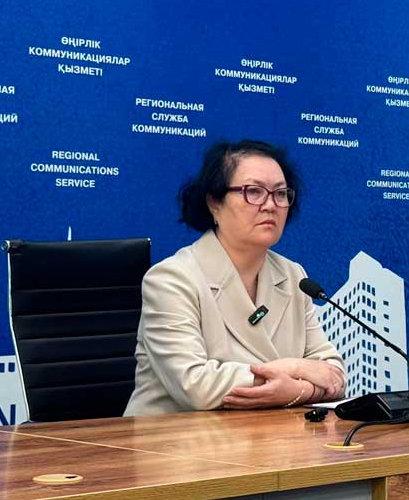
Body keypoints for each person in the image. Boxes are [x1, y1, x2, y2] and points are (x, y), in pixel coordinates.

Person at [125, 140, 345, 416]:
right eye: (254, 191)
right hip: (172, 436)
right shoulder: (171, 279)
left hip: (264, 434)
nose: (270, 205)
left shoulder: (293, 276)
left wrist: (297, 392)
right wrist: (294, 368)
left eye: (280, 193)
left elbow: (332, 373)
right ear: (214, 202)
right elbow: (196, 385)